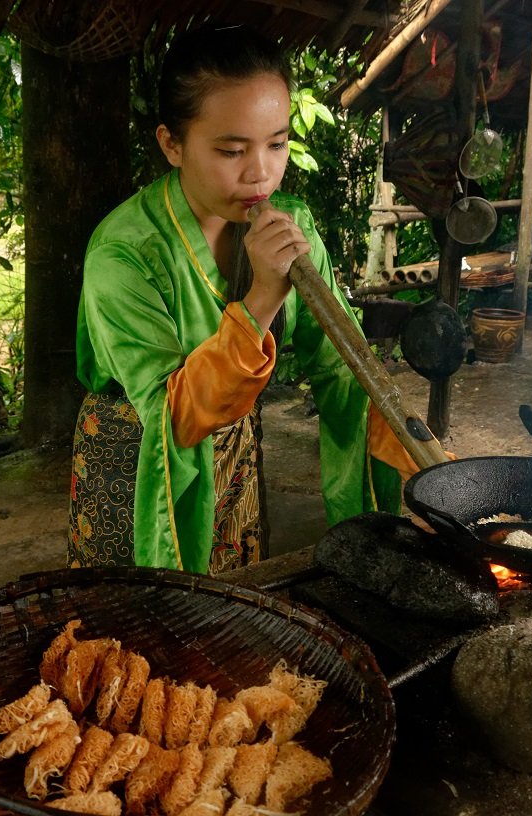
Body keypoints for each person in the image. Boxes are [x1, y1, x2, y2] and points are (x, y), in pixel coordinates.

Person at [67, 27, 416, 575]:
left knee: (237, 606)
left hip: (234, 451)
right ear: (171, 144)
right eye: (232, 150)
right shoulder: (125, 253)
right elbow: (176, 415)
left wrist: (416, 451)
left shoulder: (292, 225)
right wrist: (260, 301)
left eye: (276, 144)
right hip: (142, 460)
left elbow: (345, 366)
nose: (261, 173)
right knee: (137, 630)